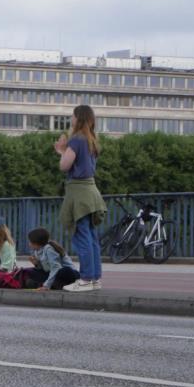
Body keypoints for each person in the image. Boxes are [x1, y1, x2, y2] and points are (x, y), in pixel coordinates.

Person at [56, 104, 107, 292]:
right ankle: (94, 279)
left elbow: (65, 166)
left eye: (73, 116)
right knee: (92, 237)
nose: (71, 119)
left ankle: (85, 279)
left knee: (82, 236)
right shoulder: (92, 139)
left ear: (79, 118)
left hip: (78, 192)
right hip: (91, 190)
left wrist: (62, 150)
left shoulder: (76, 139)